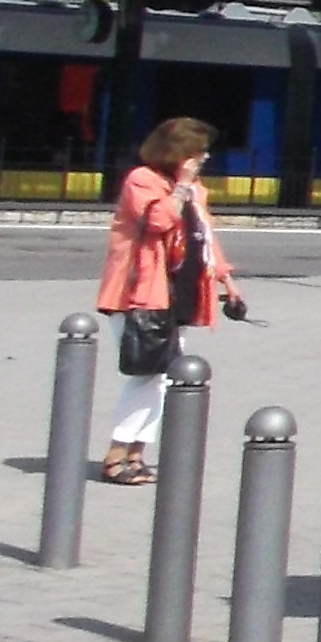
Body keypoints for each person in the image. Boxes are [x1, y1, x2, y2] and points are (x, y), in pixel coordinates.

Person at [93, 118, 246, 484]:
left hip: (178, 293)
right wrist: (180, 188)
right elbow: (159, 220)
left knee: (161, 377)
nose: (204, 159)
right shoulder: (142, 181)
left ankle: (136, 453)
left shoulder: (196, 190)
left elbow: (205, 237)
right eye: (197, 152)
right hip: (140, 294)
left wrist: (226, 279)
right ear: (177, 152)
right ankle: (117, 454)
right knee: (148, 373)